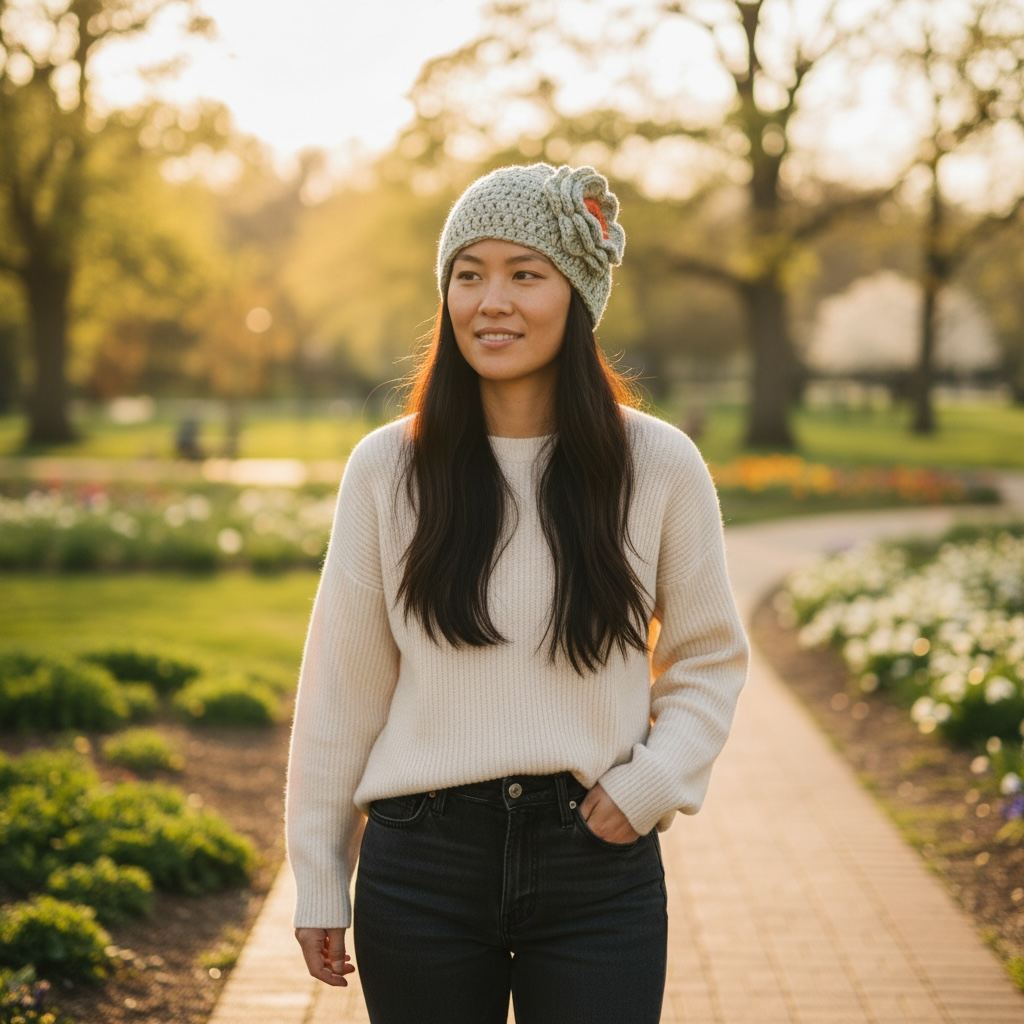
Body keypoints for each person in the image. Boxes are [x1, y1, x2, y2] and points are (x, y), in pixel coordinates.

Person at [285, 163, 749, 1024]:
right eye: (469, 275)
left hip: (596, 865)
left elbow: (709, 658)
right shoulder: (388, 468)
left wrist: (652, 784)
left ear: (577, 297)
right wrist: (320, 873)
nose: (490, 301)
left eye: (524, 274)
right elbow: (341, 690)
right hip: (420, 865)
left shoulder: (658, 465)